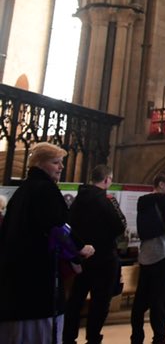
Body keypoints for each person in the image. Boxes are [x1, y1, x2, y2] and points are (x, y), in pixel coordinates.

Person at [0, 142, 95, 344]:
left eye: (61, 163)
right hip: (38, 276)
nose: (61, 167)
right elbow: (59, 228)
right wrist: (80, 249)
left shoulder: (21, 191)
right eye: (56, 162)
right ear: (40, 163)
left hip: (16, 278)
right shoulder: (46, 190)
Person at [64, 164, 127, 344]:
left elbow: (69, 225)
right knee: (100, 301)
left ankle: (69, 337)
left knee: (76, 299)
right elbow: (119, 225)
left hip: (82, 256)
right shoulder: (106, 200)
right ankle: (93, 338)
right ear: (107, 180)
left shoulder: (77, 199)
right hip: (104, 257)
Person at [130, 171, 165, 344]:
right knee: (160, 300)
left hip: (146, 255)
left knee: (141, 300)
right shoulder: (164, 200)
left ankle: (136, 337)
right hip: (164, 253)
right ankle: (160, 338)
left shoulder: (142, 200)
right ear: (161, 184)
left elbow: (144, 230)